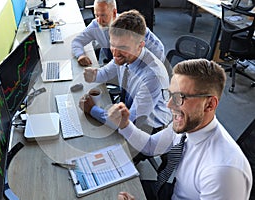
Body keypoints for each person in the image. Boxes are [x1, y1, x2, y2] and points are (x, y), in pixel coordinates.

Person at [108, 58, 253, 199]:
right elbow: (151, 146)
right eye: (170, 95)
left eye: (180, 97)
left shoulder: (222, 172)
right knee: (113, 190)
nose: (169, 105)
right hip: (173, 192)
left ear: (209, 105)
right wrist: (124, 124)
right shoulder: (189, 125)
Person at [79, 9, 171, 133]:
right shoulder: (125, 56)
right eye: (112, 44)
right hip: (127, 110)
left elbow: (130, 123)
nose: (115, 53)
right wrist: (93, 74)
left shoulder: (153, 76)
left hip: (148, 128)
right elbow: (105, 73)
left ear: (140, 45)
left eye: (122, 47)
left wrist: (92, 109)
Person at [71, 0, 165, 66]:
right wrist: (81, 55)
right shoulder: (96, 25)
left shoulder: (130, 26)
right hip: (116, 66)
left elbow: (158, 49)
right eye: (96, 15)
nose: (99, 20)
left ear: (114, 12)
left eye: (103, 15)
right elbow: (77, 41)